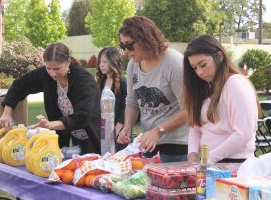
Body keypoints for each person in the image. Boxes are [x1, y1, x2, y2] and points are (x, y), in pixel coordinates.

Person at [0, 42, 101, 155]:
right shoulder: (45, 75)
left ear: (68, 62)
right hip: (66, 133)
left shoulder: (84, 81)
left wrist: (50, 125)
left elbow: (83, 116)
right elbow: (19, 85)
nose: (52, 73)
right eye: (48, 68)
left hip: (93, 135)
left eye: (57, 69)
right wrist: (7, 112)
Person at [116, 16, 189, 163]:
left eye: (129, 45)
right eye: (123, 46)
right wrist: (127, 126)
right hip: (148, 143)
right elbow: (132, 102)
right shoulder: (133, 65)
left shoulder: (174, 63)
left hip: (176, 145)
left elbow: (188, 111)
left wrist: (158, 131)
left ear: (145, 39)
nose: (126, 51)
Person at [183, 35, 259, 163]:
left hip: (234, 164)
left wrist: (208, 159)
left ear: (219, 56)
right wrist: (192, 156)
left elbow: (243, 133)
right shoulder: (205, 87)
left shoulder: (236, 84)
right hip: (210, 163)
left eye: (203, 65)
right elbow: (196, 127)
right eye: (194, 68)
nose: (200, 72)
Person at [96, 47, 127, 151]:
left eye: (105, 62)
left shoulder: (123, 82)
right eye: (100, 61)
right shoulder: (100, 82)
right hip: (103, 129)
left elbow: (126, 107)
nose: (101, 65)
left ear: (113, 62)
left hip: (118, 132)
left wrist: (116, 130)